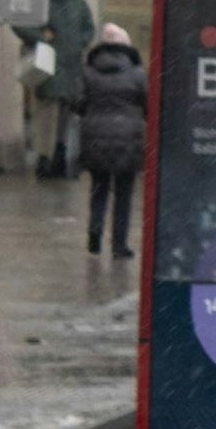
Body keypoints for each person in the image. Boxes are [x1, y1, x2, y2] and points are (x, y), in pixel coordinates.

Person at [12, 0, 98, 180]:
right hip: (48, 67)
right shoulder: (41, 1)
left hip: (71, 68)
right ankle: (44, 159)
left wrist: (80, 42)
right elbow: (19, 22)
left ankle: (61, 157)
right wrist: (41, 37)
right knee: (46, 115)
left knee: (66, 116)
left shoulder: (78, 3)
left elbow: (89, 28)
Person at [74, 24, 148, 258]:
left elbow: (77, 103)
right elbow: (149, 105)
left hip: (95, 137)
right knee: (124, 195)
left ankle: (94, 236)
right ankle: (119, 244)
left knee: (99, 189)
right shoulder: (137, 74)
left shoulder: (88, 72)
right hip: (128, 138)